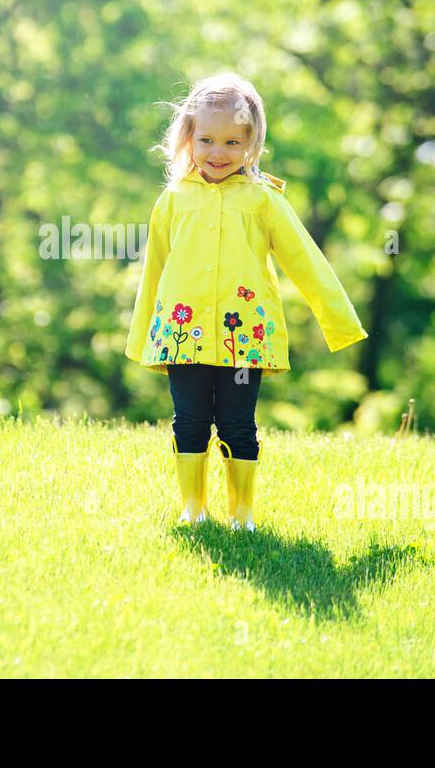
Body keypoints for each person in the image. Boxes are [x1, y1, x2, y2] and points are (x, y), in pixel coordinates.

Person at [124, 72, 368, 530]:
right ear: (188, 138)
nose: (218, 153)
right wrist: (143, 339)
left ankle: (242, 514)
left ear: (252, 144)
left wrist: (339, 322)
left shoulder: (264, 200)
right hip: (183, 335)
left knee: (238, 424)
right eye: (208, 140)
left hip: (244, 339)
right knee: (189, 420)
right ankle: (193, 510)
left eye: (233, 143)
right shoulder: (173, 200)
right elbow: (153, 272)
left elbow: (306, 262)